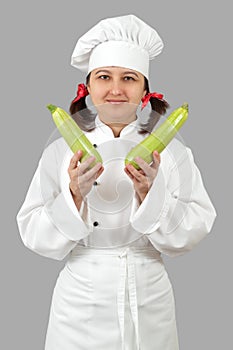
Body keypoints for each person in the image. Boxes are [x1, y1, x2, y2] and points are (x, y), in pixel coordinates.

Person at [16, 14, 216, 350]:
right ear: (88, 87)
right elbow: (32, 232)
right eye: (104, 77)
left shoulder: (172, 153)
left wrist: (151, 193)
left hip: (149, 294)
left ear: (145, 92)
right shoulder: (60, 151)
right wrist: (73, 194)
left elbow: (195, 228)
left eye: (129, 78)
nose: (115, 89)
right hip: (80, 300)